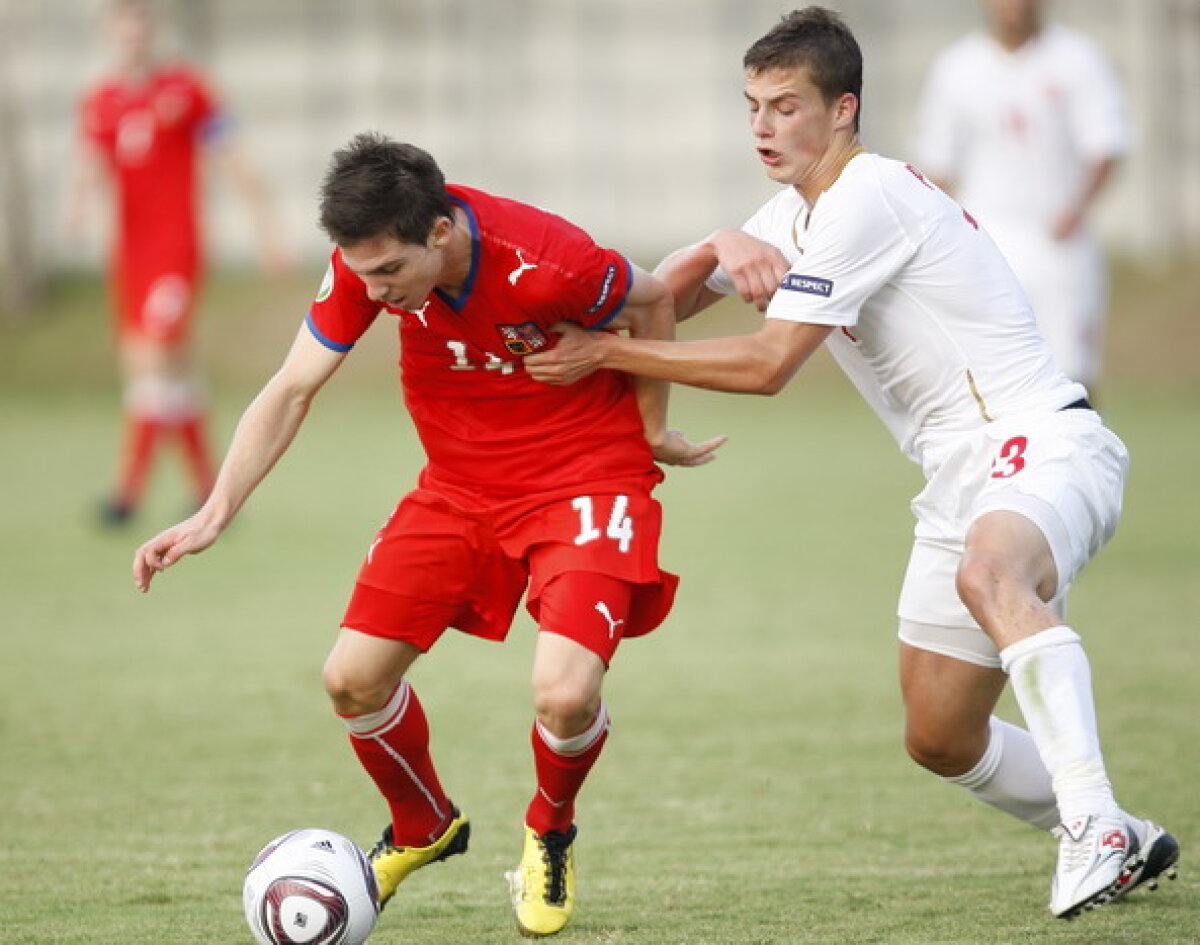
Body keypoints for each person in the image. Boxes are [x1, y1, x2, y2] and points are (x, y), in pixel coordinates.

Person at [525, 7, 1178, 921]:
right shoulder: (795, 210)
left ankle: (1096, 822)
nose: (762, 126)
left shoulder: (869, 195)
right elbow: (652, 296)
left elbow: (766, 363)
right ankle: (1136, 836)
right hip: (955, 472)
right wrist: (709, 246)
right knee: (941, 736)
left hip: (1039, 438)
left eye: (786, 106)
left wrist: (607, 357)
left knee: (989, 574)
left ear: (844, 111)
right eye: (751, 106)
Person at [132, 132, 722, 937]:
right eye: (363, 274)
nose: (374, 292)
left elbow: (652, 299)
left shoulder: (547, 260)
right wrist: (213, 511)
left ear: (440, 232)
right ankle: (425, 825)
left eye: (388, 274)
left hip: (587, 473)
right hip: (458, 488)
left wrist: (651, 428)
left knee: (564, 690)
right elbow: (293, 387)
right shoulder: (364, 264)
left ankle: (549, 828)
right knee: (351, 678)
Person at [64, 0, 284, 526]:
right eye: (123, 25)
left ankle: (127, 495)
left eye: (140, 23)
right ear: (110, 33)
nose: (133, 35)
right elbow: (90, 163)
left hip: (175, 248)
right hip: (130, 253)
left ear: (152, 29)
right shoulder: (102, 100)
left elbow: (232, 156)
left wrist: (266, 230)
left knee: (155, 360)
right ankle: (211, 489)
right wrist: (75, 208)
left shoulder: (185, 91)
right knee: (166, 372)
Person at [912, 0, 1130, 392]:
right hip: (985, 242)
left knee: (1070, 377)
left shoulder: (1078, 59)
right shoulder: (957, 66)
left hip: (1059, 245)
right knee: (991, 376)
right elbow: (938, 163)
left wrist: (1075, 210)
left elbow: (1106, 145)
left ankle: (1075, 452)